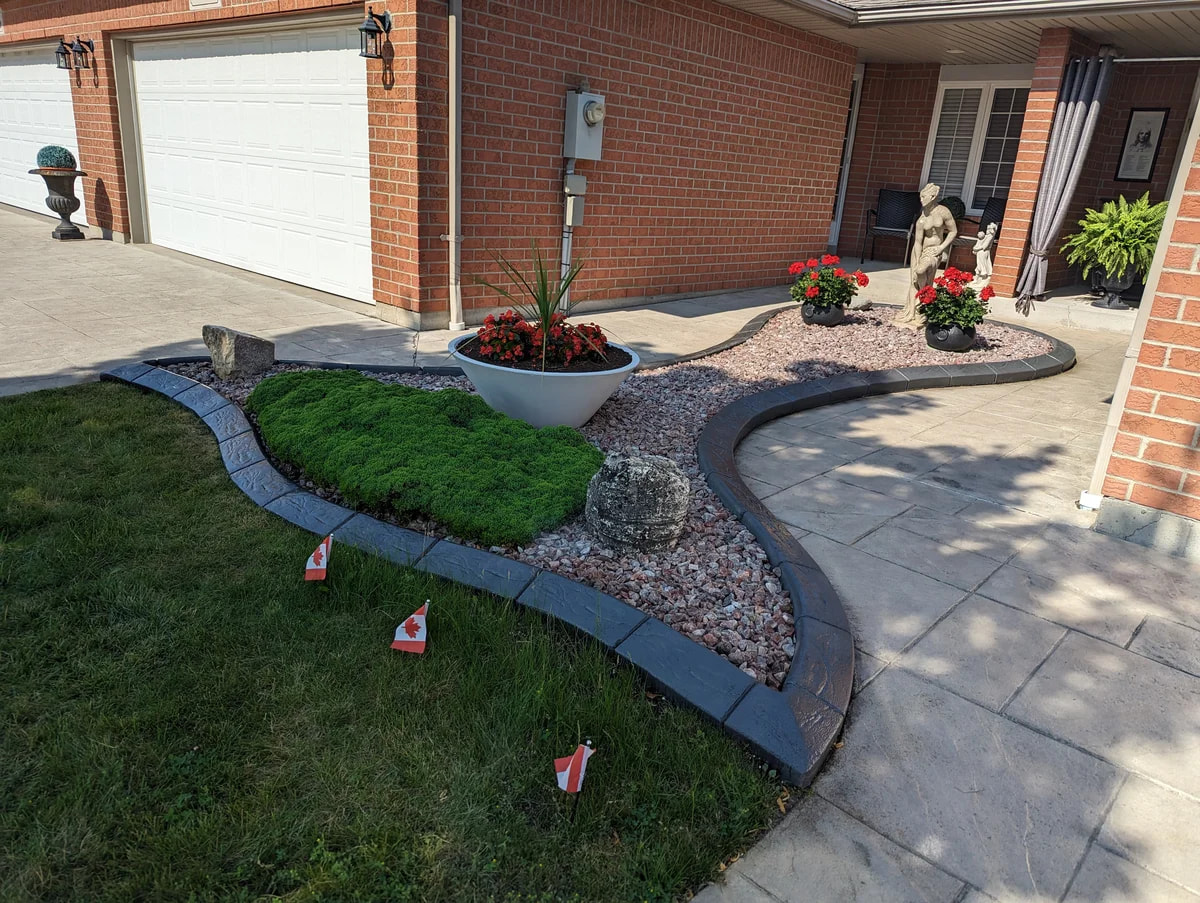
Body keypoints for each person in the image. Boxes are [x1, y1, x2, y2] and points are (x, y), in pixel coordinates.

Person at [896, 182, 957, 330]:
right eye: (920, 197)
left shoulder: (943, 212)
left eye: (924, 197)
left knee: (922, 273)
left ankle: (922, 304)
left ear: (933, 196)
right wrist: (916, 260)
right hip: (922, 252)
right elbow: (917, 243)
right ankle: (914, 311)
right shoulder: (921, 220)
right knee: (916, 277)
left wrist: (941, 247)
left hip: (935, 251)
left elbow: (953, 231)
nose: (921, 200)